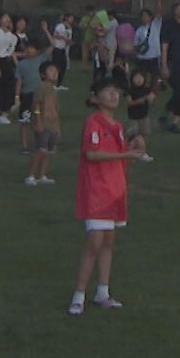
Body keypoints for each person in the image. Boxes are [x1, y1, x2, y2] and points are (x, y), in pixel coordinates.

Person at [70, 74, 141, 315]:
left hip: (115, 190)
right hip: (97, 190)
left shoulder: (118, 126)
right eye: (109, 91)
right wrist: (124, 156)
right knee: (94, 242)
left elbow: (119, 157)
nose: (114, 95)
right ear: (96, 98)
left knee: (108, 242)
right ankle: (78, 296)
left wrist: (133, 151)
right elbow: (92, 154)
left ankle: (103, 292)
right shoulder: (94, 123)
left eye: (116, 92)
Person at [159, 2, 180, 134]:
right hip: (172, 64)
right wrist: (164, 65)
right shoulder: (168, 26)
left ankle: (174, 122)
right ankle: (166, 113)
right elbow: (165, 46)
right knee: (179, 91)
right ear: (176, 11)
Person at [27, 61, 62, 185]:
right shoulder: (41, 87)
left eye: (56, 71)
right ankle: (31, 175)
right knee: (40, 150)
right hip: (43, 123)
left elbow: (55, 109)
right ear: (43, 74)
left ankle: (42, 175)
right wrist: (38, 121)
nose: (54, 73)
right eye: (51, 71)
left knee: (49, 151)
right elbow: (37, 104)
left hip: (53, 124)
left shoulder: (54, 90)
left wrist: (57, 126)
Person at [124, 68, 156, 160]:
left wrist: (152, 99)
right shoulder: (129, 90)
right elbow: (129, 103)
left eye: (141, 77)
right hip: (133, 117)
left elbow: (152, 102)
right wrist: (140, 100)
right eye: (136, 77)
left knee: (143, 134)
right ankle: (139, 153)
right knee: (134, 135)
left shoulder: (147, 90)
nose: (138, 79)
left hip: (144, 116)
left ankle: (135, 153)